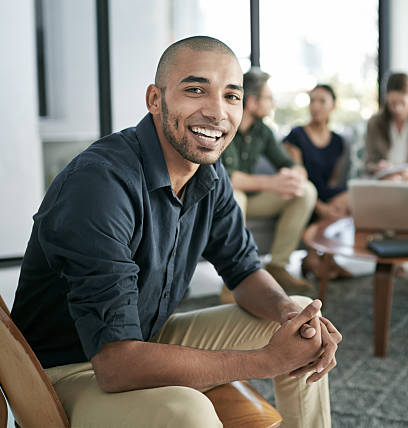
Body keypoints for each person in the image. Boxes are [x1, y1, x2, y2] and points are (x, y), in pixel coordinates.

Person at [10, 36, 339, 427]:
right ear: (155, 99)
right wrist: (264, 362)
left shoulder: (209, 176)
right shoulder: (99, 185)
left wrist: (287, 311)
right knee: (188, 412)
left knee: (302, 325)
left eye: (231, 96)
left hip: (146, 338)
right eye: (196, 90)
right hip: (67, 373)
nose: (217, 112)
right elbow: (116, 365)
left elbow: (244, 270)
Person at [220, 69, 317, 297]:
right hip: (223, 198)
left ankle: (278, 267)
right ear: (252, 102)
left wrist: (297, 174)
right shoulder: (225, 125)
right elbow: (229, 177)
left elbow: (285, 161)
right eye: (269, 98)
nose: (272, 103)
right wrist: (272, 183)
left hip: (253, 198)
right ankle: (232, 283)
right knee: (236, 195)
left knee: (306, 191)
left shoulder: (262, 131)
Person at [283, 84, 352, 278]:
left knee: (349, 196)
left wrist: (329, 205)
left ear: (333, 106)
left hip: (323, 192)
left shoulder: (338, 141)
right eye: (312, 101)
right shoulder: (296, 135)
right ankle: (313, 258)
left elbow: (332, 182)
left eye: (322, 101)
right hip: (301, 191)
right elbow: (297, 177)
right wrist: (320, 206)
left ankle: (326, 259)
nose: (315, 106)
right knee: (321, 202)